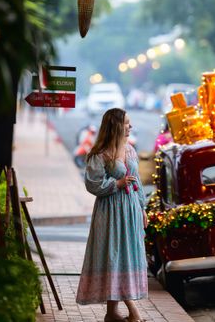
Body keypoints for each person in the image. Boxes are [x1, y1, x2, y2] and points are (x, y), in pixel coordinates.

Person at [76, 108, 148, 322]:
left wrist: (142, 208)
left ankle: (111, 313)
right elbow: (92, 183)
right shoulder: (100, 154)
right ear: (116, 125)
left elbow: (138, 182)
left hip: (131, 208)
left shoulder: (131, 150)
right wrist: (116, 184)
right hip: (110, 212)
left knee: (126, 256)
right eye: (127, 123)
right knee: (113, 256)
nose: (130, 127)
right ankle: (133, 313)